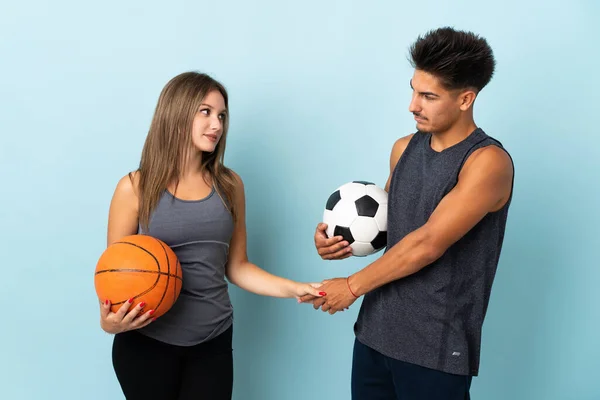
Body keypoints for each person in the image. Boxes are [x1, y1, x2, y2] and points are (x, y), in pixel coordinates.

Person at [303, 27, 514, 399]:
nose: (413, 105)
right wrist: (338, 241)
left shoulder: (487, 162)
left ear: (466, 99)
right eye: (413, 90)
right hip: (374, 333)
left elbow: (427, 242)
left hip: (434, 348)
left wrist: (351, 286)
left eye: (428, 96)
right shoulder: (403, 148)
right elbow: (389, 226)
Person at [98, 71, 325, 400]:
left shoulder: (230, 186)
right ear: (176, 112)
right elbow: (117, 277)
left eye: (221, 115)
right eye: (205, 112)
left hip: (213, 340)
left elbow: (237, 267)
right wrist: (109, 324)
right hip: (147, 345)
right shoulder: (134, 187)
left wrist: (296, 288)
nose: (216, 124)